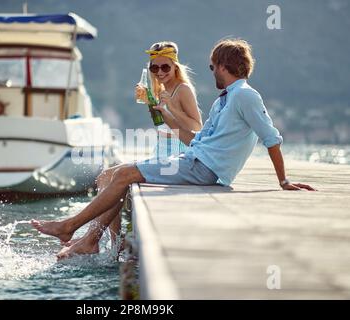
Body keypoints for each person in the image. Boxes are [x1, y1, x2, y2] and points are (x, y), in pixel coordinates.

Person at [31, 38, 316, 260]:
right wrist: (162, 110)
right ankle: (89, 237)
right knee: (119, 175)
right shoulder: (225, 100)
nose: (211, 71)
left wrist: (284, 180)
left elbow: (271, 137)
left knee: (123, 176)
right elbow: (195, 139)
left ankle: (72, 228)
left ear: (222, 65)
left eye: (212, 66)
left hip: (204, 168)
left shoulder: (245, 96)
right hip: (194, 158)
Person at [135, 41, 202, 160]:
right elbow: (162, 122)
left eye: (165, 67)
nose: (160, 72)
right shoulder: (161, 88)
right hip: (161, 146)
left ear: (175, 67)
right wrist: (149, 101)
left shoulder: (183, 89)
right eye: (155, 68)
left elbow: (197, 127)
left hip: (178, 149)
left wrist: (172, 107)